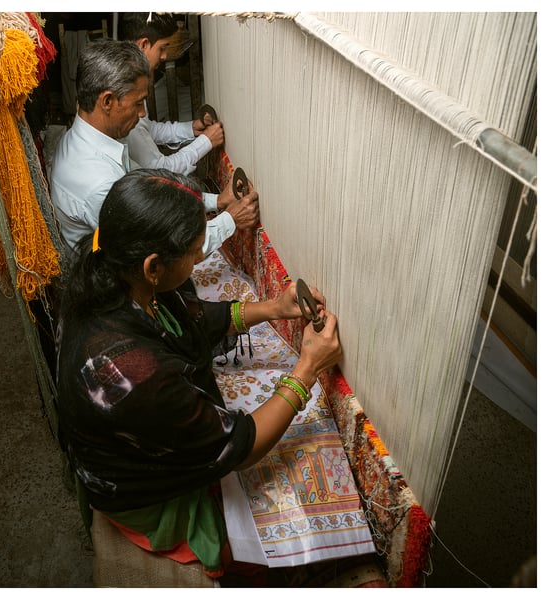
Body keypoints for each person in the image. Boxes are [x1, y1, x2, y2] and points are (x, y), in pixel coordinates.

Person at [56, 168, 342, 581]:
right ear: (154, 265)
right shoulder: (130, 372)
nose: (197, 259)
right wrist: (307, 369)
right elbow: (239, 446)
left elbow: (185, 318)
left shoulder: (113, 273)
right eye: (194, 252)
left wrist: (272, 309)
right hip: (141, 491)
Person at [50, 38, 259, 258]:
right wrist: (229, 221)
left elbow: (150, 187)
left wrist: (214, 201)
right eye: (138, 103)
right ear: (108, 101)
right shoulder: (99, 184)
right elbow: (161, 252)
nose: (142, 114)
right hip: (112, 280)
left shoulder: (89, 138)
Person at [118, 12, 225, 177]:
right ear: (143, 45)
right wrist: (206, 142)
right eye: (162, 48)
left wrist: (190, 128)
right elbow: (162, 170)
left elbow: (147, 129)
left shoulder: (129, 80)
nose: (165, 56)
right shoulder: (126, 95)